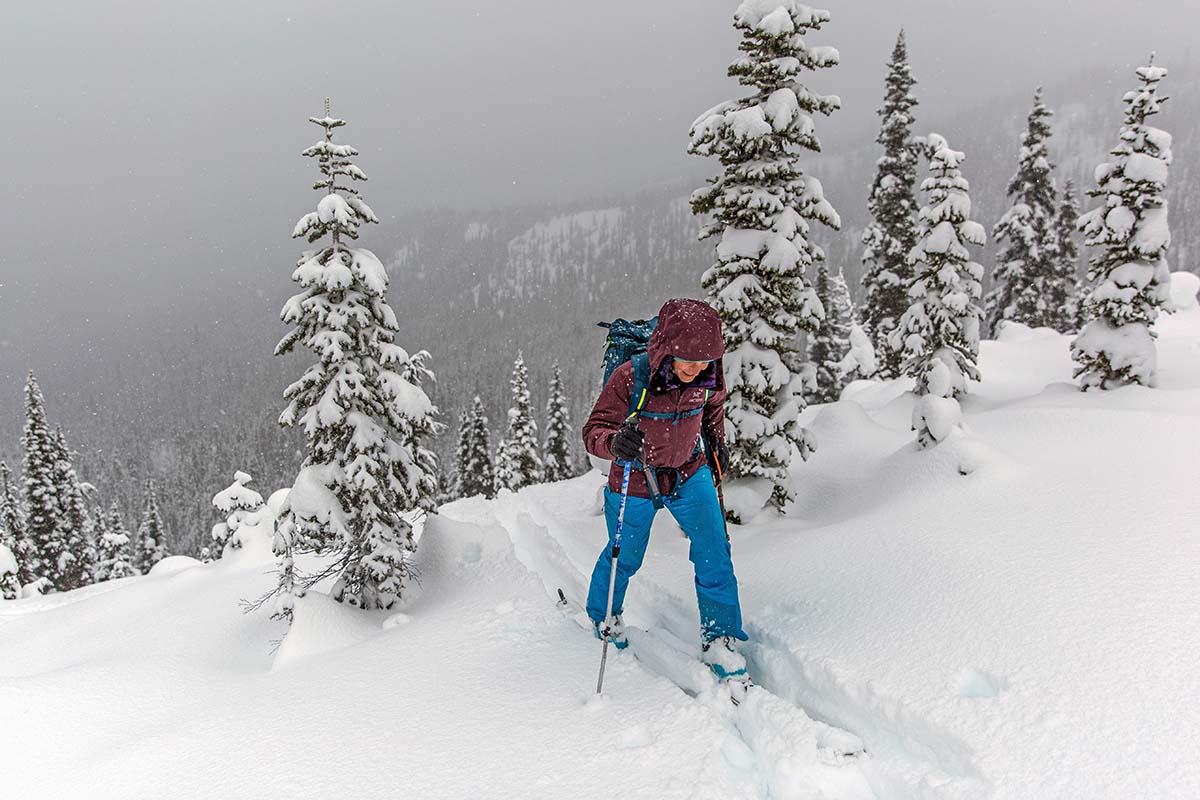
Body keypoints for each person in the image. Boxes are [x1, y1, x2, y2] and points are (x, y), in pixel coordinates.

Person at [582, 297, 748, 681]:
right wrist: (613, 443)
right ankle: (603, 615)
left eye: (704, 362)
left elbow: (714, 407)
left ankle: (720, 636)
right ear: (667, 349)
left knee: (714, 549)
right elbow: (593, 431)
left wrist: (716, 439)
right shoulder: (630, 377)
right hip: (635, 477)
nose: (696, 369)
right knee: (625, 556)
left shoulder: (708, 373)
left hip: (689, 472)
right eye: (687, 361)